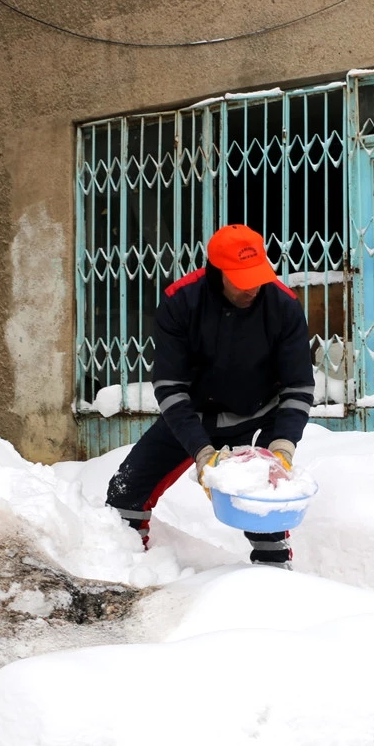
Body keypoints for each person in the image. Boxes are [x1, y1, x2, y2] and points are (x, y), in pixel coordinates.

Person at [104, 224, 315, 569]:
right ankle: (126, 570)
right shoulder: (180, 302)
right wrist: (202, 453)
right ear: (217, 272)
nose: (253, 287)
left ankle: (275, 578)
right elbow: (170, 386)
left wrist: (282, 449)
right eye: (242, 278)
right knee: (125, 493)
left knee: (263, 509)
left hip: (258, 414)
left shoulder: (283, 305)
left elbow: (298, 387)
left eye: (258, 275)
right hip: (191, 416)